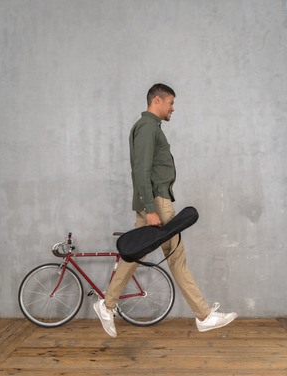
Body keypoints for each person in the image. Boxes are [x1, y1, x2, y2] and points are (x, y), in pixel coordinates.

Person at [93, 83, 237, 338]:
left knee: (134, 255)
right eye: (170, 103)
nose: (173, 108)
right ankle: (203, 316)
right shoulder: (148, 127)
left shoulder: (150, 127)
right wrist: (150, 208)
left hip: (154, 200)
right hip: (157, 202)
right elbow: (141, 171)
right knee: (176, 257)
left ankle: (107, 305)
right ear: (157, 100)